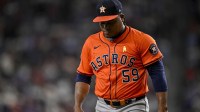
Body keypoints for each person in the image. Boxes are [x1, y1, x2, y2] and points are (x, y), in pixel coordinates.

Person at [74, 0, 168, 112]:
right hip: (103, 105)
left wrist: (163, 107)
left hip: (134, 105)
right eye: (102, 23)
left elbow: (157, 72)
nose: (106, 27)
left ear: (122, 17)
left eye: (110, 22)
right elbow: (84, 76)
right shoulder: (91, 42)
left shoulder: (142, 40)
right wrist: (77, 105)